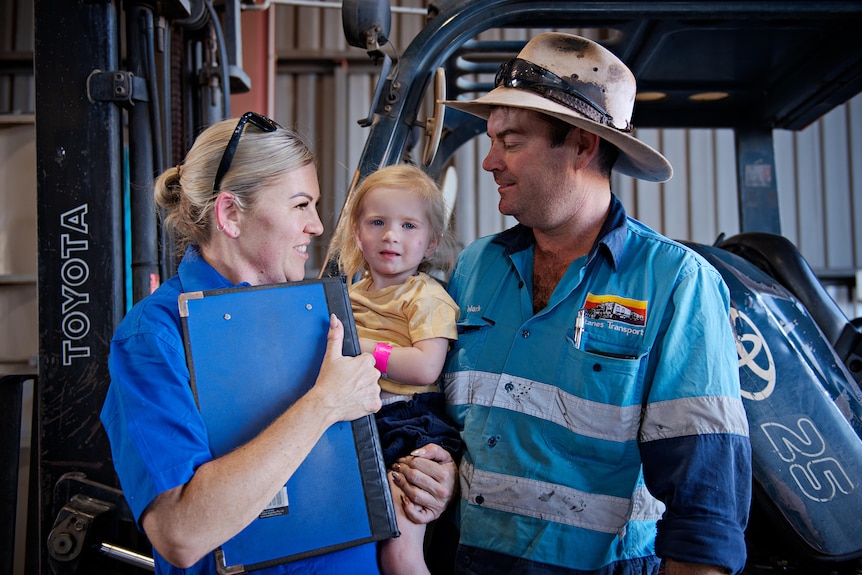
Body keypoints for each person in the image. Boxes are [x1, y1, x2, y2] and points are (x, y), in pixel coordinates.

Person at [422, 32, 752, 575]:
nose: (489, 162)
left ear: (581, 144)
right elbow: (444, 416)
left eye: (511, 141)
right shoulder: (476, 267)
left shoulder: (675, 282)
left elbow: (706, 506)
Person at [100, 112, 384, 575]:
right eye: (300, 205)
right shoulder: (154, 337)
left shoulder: (314, 312)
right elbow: (181, 532)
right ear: (231, 214)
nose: (316, 225)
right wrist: (325, 403)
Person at [330, 163, 462, 575]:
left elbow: (425, 366)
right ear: (357, 232)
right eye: (377, 222)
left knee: (398, 551)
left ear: (430, 243)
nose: (391, 235)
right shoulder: (346, 295)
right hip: (357, 416)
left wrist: (363, 348)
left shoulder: (426, 297)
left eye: (408, 225)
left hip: (410, 421)